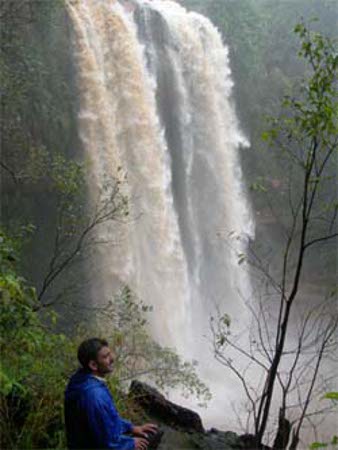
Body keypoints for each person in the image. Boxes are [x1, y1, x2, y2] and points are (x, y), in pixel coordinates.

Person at [64, 338, 158, 449]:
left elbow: (107, 419)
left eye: (110, 353)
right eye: (105, 357)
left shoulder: (82, 378)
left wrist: (131, 428)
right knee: (152, 438)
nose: (112, 358)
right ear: (93, 365)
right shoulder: (94, 396)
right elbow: (105, 443)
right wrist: (130, 444)